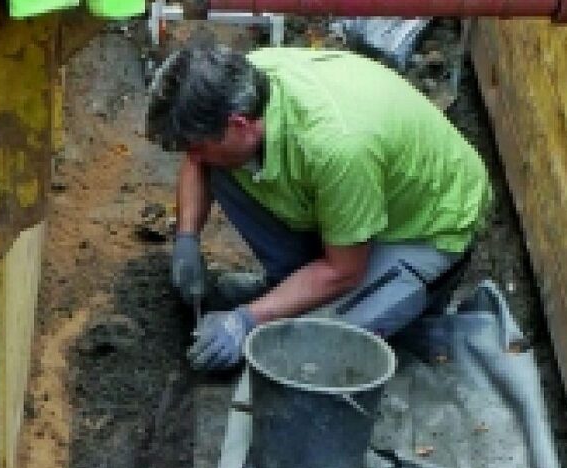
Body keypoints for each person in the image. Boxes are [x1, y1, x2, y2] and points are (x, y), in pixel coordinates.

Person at [145, 44, 491, 371]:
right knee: (217, 167)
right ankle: (290, 288)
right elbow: (197, 163)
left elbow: (345, 271)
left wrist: (246, 320)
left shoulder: (338, 147)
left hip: (423, 229)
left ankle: (381, 295)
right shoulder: (243, 85)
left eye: (196, 147)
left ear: (239, 125)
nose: (191, 159)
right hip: (350, 199)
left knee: (308, 353)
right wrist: (186, 237)